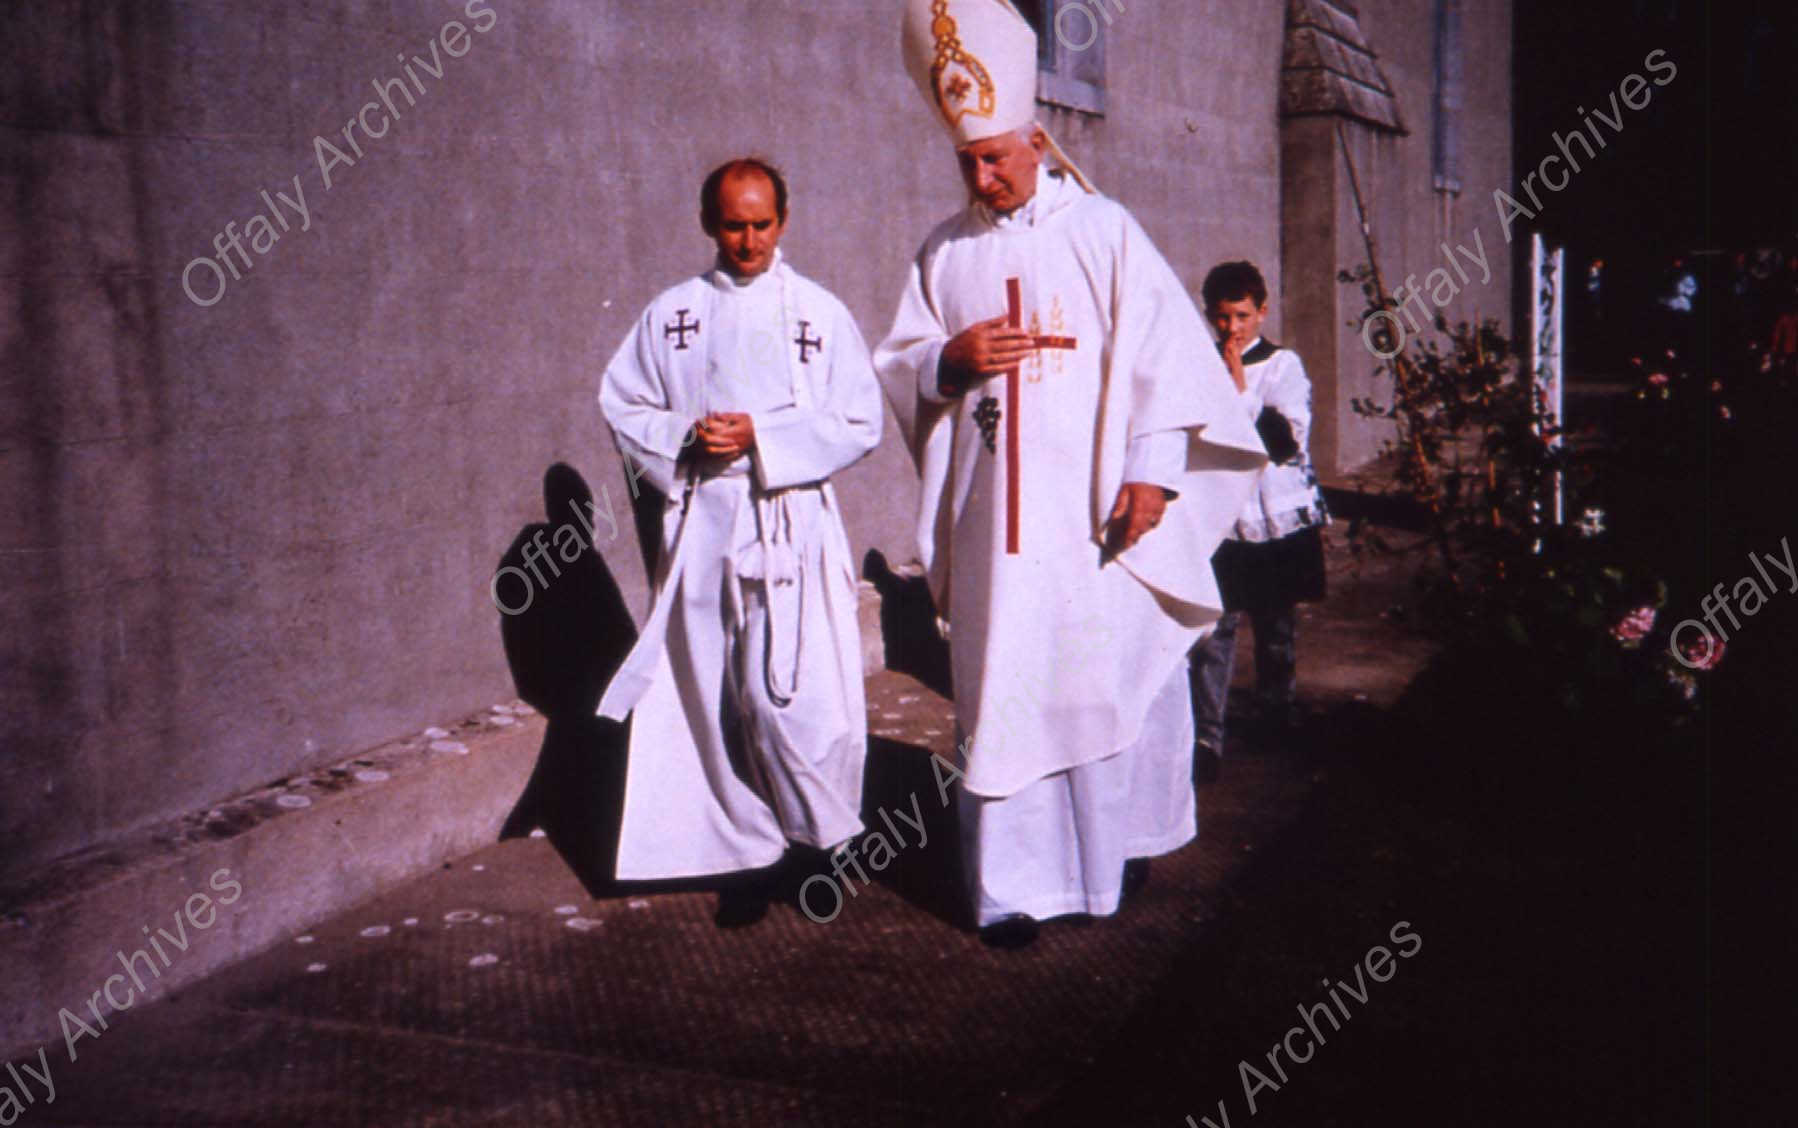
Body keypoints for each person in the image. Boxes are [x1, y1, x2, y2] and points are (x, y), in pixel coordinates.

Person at [875, 0, 1265, 948]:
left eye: (995, 158)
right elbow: (901, 362)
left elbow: (1165, 362)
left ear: (1037, 141)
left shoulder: (1103, 231)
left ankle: (1108, 858)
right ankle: (1010, 892)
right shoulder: (945, 252)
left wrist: (1154, 475)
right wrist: (948, 359)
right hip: (996, 537)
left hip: (1094, 519)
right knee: (1003, 697)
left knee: (1096, 682)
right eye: (967, 162)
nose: (983, 178)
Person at [596, 157, 883, 926]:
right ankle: (749, 852)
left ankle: (822, 842)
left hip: (792, 520)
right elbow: (622, 401)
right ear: (707, 223)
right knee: (717, 691)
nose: (749, 241)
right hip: (705, 522)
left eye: (762, 224)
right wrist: (685, 438)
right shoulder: (674, 312)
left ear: (783, 221)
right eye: (733, 225)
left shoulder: (819, 312)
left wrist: (765, 438)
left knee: (793, 697)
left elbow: (861, 420)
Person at [1187, 262, 1330, 778]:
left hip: (1274, 517)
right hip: (1223, 520)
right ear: (1209, 315)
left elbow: (1283, 440)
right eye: (1223, 317)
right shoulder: (1197, 365)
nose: (1233, 329)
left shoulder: (1281, 366)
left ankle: (1275, 712)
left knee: (1275, 625)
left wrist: (1238, 386)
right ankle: (1208, 735)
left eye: (1243, 316)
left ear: (1262, 312)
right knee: (1214, 629)